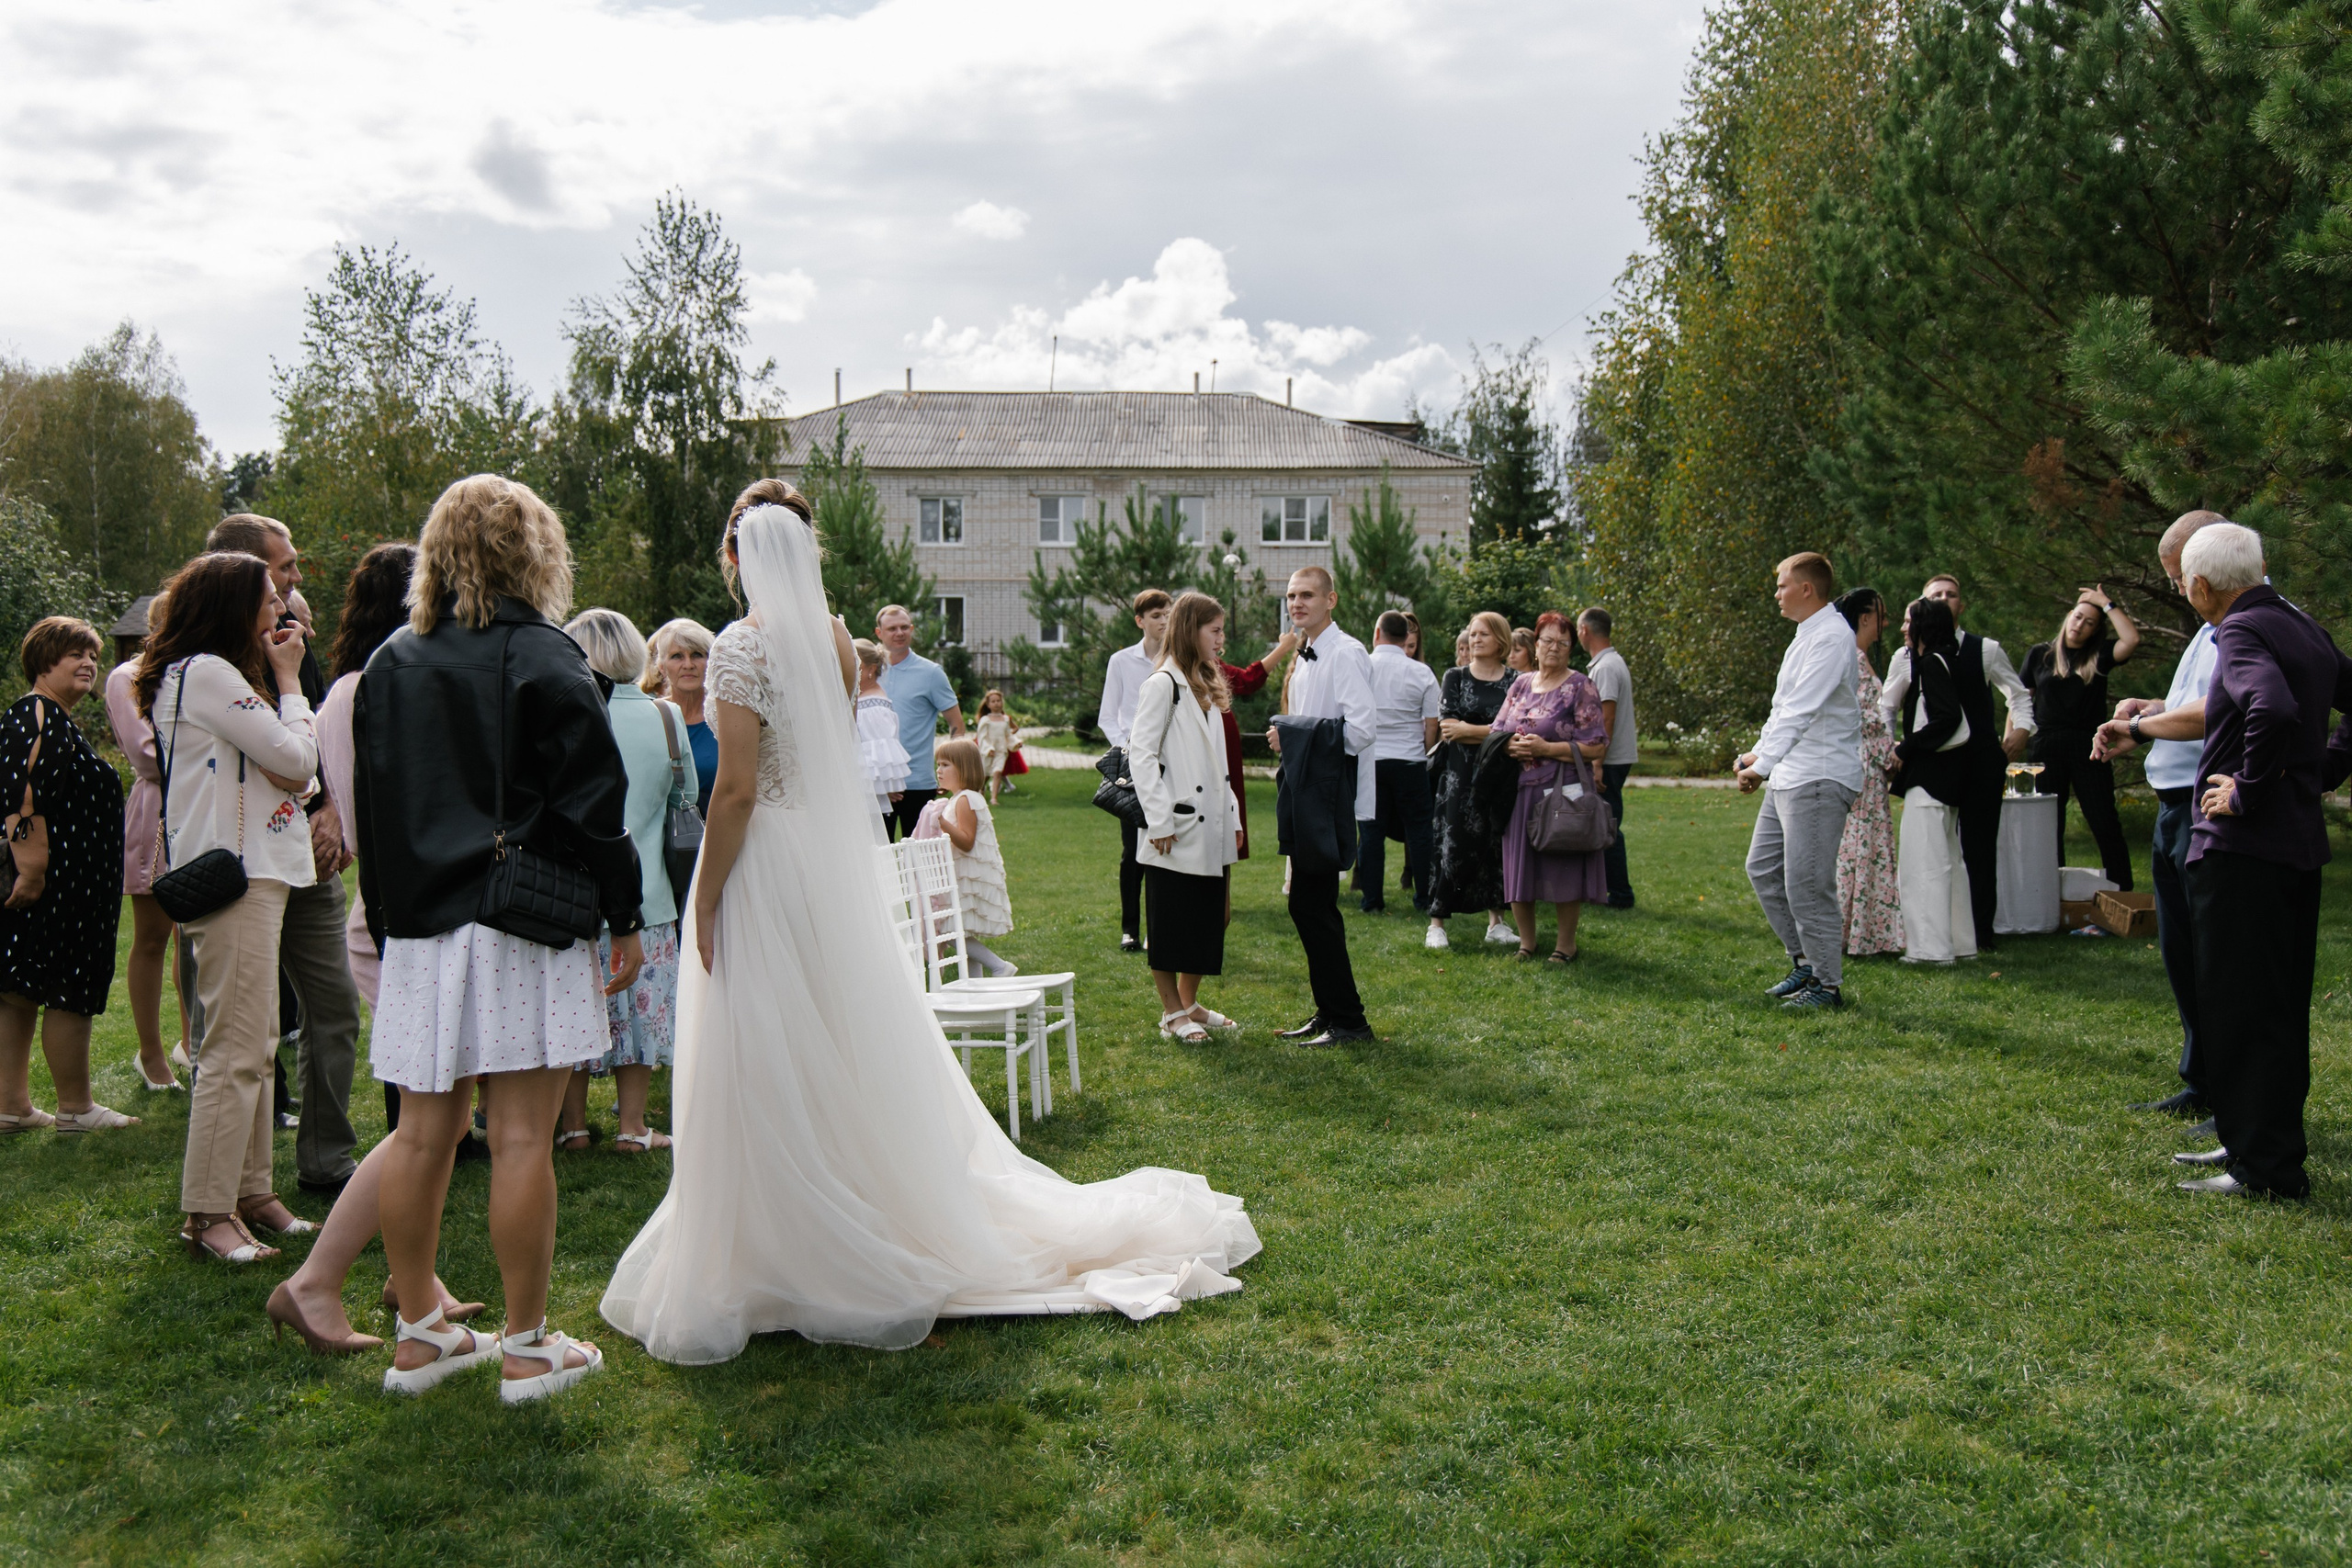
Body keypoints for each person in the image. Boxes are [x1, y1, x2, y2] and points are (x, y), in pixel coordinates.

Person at [600, 494, 1259, 1365]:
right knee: (833, 1034)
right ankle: (832, 1205)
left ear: (735, 558)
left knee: (766, 1042)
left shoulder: (740, 645)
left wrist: (709, 895)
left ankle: (783, 1236)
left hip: (764, 863)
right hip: (826, 867)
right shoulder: (836, 638)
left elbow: (737, 789)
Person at [356, 473, 645, 1402]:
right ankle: (524, 1346)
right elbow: (598, 810)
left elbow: (378, 806)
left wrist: (390, 912)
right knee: (520, 1137)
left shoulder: (393, 660)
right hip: (521, 915)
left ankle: (419, 1334)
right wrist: (626, 915)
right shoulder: (546, 656)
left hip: (424, 923)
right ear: (537, 551)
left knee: (419, 1136)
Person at [2154, 524, 2352, 1199]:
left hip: (2243, 851)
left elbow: (2269, 705)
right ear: (2262, 567)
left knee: (2240, 1007)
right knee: (2278, 1006)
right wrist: (2320, 771)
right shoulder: (2302, 624)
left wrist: (2247, 787)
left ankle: (2261, 1168)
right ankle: (2256, 1142)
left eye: (2185, 588)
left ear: (2202, 586)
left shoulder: (2237, 631)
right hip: (2295, 847)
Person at [138, 552, 320, 1260]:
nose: (280, 608)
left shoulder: (199, 676)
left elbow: (284, 766)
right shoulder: (210, 673)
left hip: (248, 873)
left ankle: (252, 1192)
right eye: (269, 596)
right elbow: (299, 763)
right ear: (231, 605)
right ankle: (209, 1212)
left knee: (258, 1042)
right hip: (238, 877)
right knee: (236, 1049)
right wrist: (288, 682)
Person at [205, 513, 364, 1200]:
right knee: (245, 1034)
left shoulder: (293, 631)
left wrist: (331, 809)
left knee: (334, 1006)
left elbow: (319, 731)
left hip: (305, 852)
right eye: (286, 566)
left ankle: (326, 1159)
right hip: (238, 863)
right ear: (246, 568)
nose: (296, 579)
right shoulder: (205, 650)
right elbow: (278, 756)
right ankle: (235, 1186)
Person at [2091, 512, 2228, 1120]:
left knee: (2215, 956)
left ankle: (2229, 1091)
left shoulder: (2244, 626)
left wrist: (2141, 724)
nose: (2179, 589)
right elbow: (2190, 703)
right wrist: (2151, 708)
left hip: (2207, 805)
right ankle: (2201, 1078)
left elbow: (2219, 711)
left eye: (2180, 577)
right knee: (2182, 952)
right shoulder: (2207, 630)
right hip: (2175, 807)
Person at [557, 608, 695, 1156]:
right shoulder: (666, 717)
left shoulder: (564, 712)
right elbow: (683, 799)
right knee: (643, 1009)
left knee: (571, 1007)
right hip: (649, 892)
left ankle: (572, 1126)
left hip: (570, 892)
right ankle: (632, 1126)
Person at [0, 617, 132, 1138]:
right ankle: (76, 1107)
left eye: (93, 656)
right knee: (66, 987)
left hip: (64, 886)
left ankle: (11, 1107)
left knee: (19, 988)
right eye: (74, 654)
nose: (88, 664)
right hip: (57, 888)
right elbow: (21, 795)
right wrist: (31, 871)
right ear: (43, 660)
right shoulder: (37, 715)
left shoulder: (50, 717)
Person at [1736, 552, 1864, 1010]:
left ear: (1807, 589)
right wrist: (1759, 751)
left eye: (1782, 584)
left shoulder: (1832, 637)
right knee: (1764, 869)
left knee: (1808, 884)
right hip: (1791, 774)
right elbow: (1783, 708)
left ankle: (1827, 988)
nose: (1777, 593)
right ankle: (1805, 963)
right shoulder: (1805, 635)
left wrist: (1762, 765)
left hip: (1820, 775)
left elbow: (1804, 708)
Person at [1882, 574, 2035, 950]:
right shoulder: (1905, 657)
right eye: (1938, 595)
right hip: (1937, 765)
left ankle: (1980, 932)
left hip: (1982, 760)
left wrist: (2021, 731)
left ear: (1961, 605)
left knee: (1980, 848)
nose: (1946, 599)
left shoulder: (1986, 649)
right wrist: (1891, 748)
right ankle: (1942, 932)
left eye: (1952, 594)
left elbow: (2018, 694)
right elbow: (1888, 706)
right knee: (1942, 847)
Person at [1129, 591, 1246, 1042]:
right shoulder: (1162, 684)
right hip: (1174, 827)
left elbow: (1218, 764)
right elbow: (1141, 755)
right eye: (1214, 630)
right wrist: (1158, 821)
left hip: (1212, 822)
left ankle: (1190, 1001)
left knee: (1211, 916)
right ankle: (1171, 1012)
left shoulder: (1206, 681)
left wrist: (1233, 817)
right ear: (1190, 630)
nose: (1221, 639)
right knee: (1169, 920)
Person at [1266, 567, 1375, 1046]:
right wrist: (1290, 734)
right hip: (1305, 789)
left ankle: (1350, 1021)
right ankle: (1330, 1013)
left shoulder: (1347, 653)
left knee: (1314, 907)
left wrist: (1292, 734)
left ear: (1331, 599)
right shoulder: (1306, 654)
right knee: (1307, 906)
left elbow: (1361, 730)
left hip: (1327, 796)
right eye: (1291, 596)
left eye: (1307, 595)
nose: (1297, 603)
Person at [1490, 613, 1609, 963]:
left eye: (1562, 642)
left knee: (1562, 866)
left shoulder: (1581, 686)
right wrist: (1510, 746)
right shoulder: (1521, 684)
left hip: (1561, 790)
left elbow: (1598, 745)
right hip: (1518, 789)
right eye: (1547, 641)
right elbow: (1499, 730)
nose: (1554, 648)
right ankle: (1527, 942)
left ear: (1571, 648)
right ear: (1535, 645)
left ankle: (1565, 945)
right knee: (1518, 865)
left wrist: (1547, 749)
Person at [104, 616, 180, 1092]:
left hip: (204, 808)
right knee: (154, 936)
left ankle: (192, 1045)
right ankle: (150, 1053)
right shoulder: (127, 675)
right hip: (157, 809)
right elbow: (145, 753)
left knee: (197, 941)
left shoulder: (202, 671)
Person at [2021, 590, 2140, 889]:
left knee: (2104, 821)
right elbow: (2021, 700)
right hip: (2045, 745)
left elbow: (2131, 641)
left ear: (2094, 630)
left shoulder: (2099, 655)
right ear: (2068, 617)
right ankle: (2050, 896)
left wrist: (2106, 604)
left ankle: (2123, 893)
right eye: (2077, 617)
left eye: (2089, 622)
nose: (2079, 625)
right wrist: (2015, 738)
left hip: (2089, 745)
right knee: (2049, 825)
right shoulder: (2040, 654)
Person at [1889, 599, 1975, 964]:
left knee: (1922, 865)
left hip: (1930, 777)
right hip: (1947, 777)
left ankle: (1929, 948)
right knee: (1948, 863)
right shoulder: (1948, 659)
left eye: (1910, 622)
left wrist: (1906, 748)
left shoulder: (1930, 664)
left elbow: (1946, 718)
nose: (1904, 628)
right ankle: (1958, 943)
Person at [1425, 612, 1517, 952]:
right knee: (1453, 843)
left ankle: (1497, 922)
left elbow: (1518, 729)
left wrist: (1473, 731)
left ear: (1500, 641)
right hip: (1459, 776)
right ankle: (1437, 923)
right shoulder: (1455, 676)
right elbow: (1449, 727)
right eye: (1473, 634)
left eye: (1484, 634)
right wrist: (1495, 733)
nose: (1475, 639)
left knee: (1495, 844)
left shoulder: (1515, 681)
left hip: (1499, 774)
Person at [1098, 589, 1174, 953]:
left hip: (1173, 765)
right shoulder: (1121, 661)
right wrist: (1128, 748)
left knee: (1167, 847)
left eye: (1168, 615)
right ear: (1140, 620)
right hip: (1134, 768)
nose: (1163, 621)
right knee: (1133, 850)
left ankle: (1158, 929)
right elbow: (1108, 716)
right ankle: (1130, 928)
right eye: (1157, 615)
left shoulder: (1178, 660)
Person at [1833, 589, 1904, 957]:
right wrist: (1890, 756)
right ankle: (1858, 932)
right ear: (1865, 618)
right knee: (1862, 845)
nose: (1886, 623)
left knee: (1865, 846)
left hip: (1865, 763)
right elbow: (1867, 719)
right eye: (1881, 616)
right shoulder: (1856, 661)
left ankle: (1864, 930)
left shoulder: (1856, 658)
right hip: (1864, 765)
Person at [1356, 611, 1441, 915]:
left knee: (1370, 833)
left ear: (1377, 633)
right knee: (1419, 833)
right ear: (1406, 638)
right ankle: (1424, 898)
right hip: (1410, 760)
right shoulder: (1422, 672)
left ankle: (1372, 901)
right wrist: (1426, 753)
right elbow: (1432, 724)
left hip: (1370, 760)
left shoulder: (1362, 667)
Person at [915, 740, 1017, 977]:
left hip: (967, 878)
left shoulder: (965, 799)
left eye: (945, 765)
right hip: (964, 875)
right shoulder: (961, 798)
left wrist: (941, 822)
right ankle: (977, 988)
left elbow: (967, 841)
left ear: (963, 768)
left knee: (951, 931)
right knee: (962, 933)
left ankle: (999, 965)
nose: (938, 770)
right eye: (937, 765)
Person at [876, 603, 967, 842]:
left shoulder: (931, 673)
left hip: (917, 783)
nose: (899, 633)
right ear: (879, 633)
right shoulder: (869, 673)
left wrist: (953, 771)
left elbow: (957, 725)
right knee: (877, 861)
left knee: (919, 861)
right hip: (878, 784)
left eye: (904, 627)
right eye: (892, 628)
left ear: (912, 629)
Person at [1577, 608, 1639, 910]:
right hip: (1613, 757)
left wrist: (1597, 762)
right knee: (1605, 822)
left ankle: (1620, 894)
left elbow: (1607, 716)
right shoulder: (1609, 662)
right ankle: (1605, 888)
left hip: (1610, 759)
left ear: (1585, 631)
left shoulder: (1605, 667)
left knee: (1607, 825)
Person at [643, 619, 718, 818]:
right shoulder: (650, 716)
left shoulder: (725, 717)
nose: (688, 665)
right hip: (664, 838)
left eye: (697, 655)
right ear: (661, 667)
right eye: (677, 656)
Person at [853, 639, 910, 829]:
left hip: (866, 799)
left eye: (856, 664)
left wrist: (883, 787)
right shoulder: (862, 698)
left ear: (871, 669)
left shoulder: (873, 707)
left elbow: (877, 757)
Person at [974, 689, 1016, 805]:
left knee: (997, 772)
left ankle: (994, 798)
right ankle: (981, 789)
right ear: (988, 704)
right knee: (986, 774)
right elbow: (982, 737)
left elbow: (1008, 735)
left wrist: (1015, 743)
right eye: (993, 701)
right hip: (988, 752)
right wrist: (988, 749)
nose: (997, 703)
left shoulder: (1006, 719)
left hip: (1001, 751)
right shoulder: (985, 720)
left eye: (999, 701)